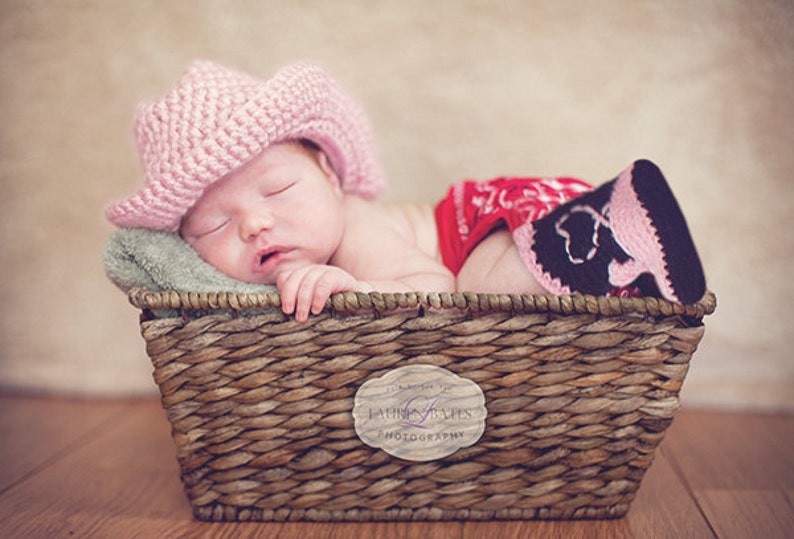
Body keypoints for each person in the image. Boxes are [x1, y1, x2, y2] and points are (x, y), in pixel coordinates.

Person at [107, 61, 706, 321]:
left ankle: (609, 228)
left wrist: (353, 288)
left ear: (330, 176)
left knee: (480, 294)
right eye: (213, 226)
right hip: (520, 226)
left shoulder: (355, 227)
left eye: (279, 189)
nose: (254, 225)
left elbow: (434, 287)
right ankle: (631, 266)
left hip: (499, 229)